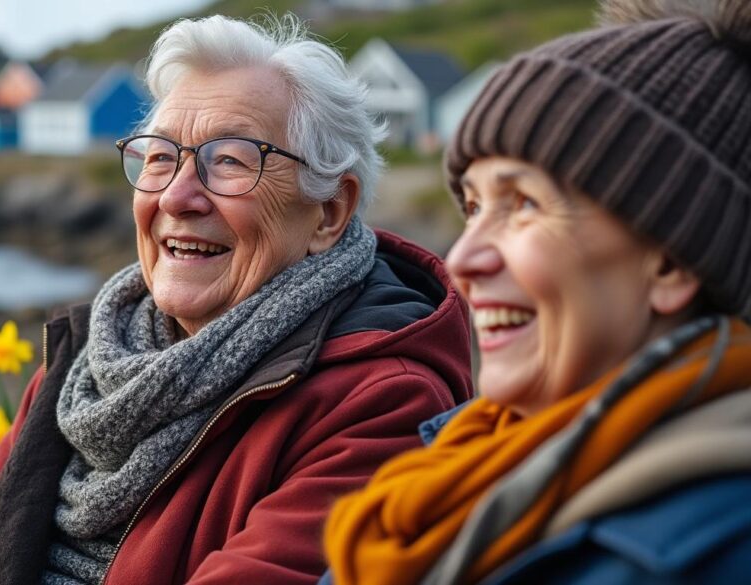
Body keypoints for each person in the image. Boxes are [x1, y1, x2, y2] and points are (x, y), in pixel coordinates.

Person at [0, 14, 473, 585]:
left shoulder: (384, 403)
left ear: (329, 212)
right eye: (161, 158)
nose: (178, 196)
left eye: (230, 161)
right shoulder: (92, 359)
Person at [321, 0, 751, 583]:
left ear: (671, 262)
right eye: (472, 207)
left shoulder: (718, 548)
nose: (462, 260)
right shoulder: (454, 462)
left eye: (523, 204)